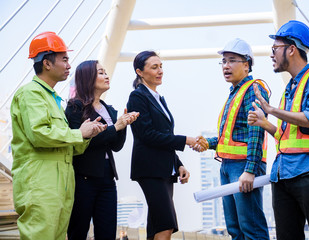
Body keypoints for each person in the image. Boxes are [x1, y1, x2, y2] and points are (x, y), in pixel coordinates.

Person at [247, 20, 309, 239]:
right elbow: (287, 136)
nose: (272, 54)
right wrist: (266, 122)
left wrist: (272, 110)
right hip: (283, 175)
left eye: (275, 48)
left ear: (291, 49)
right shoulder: (290, 87)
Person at [10, 32, 106, 240]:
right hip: (40, 184)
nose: (69, 65)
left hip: (61, 184)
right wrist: (77, 133)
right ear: (46, 63)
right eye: (64, 59)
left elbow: (67, 145)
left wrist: (86, 134)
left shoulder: (54, 99)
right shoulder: (30, 93)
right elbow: (39, 134)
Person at [193, 38, 270, 240]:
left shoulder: (254, 89)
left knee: (252, 229)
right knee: (235, 230)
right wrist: (208, 143)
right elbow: (233, 136)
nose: (226, 66)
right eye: (224, 61)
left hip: (244, 167)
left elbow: (256, 131)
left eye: (232, 60)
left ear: (246, 65)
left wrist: (250, 170)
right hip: (228, 167)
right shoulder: (235, 93)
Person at [65, 60, 139, 239]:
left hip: (107, 178)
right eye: (100, 72)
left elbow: (116, 146)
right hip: (83, 178)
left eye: (106, 71)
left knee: (107, 232)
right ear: (87, 78)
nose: (106, 75)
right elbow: (84, 143)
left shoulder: (109, 110)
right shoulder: (75, 108)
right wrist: (116, 127)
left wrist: (124, 124)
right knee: (78, 230)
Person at [127, 50, 195, 240]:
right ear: (140, 72)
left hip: (164, 170)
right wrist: (185, 140)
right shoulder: (137, 97)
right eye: (154, 67)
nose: (160, 71)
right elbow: (147, 135)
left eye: (161, 66)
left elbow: (165, 136)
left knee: (157, 226)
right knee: (166, 224)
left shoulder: (158, 98)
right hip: (150, 170)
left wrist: (179, 164)